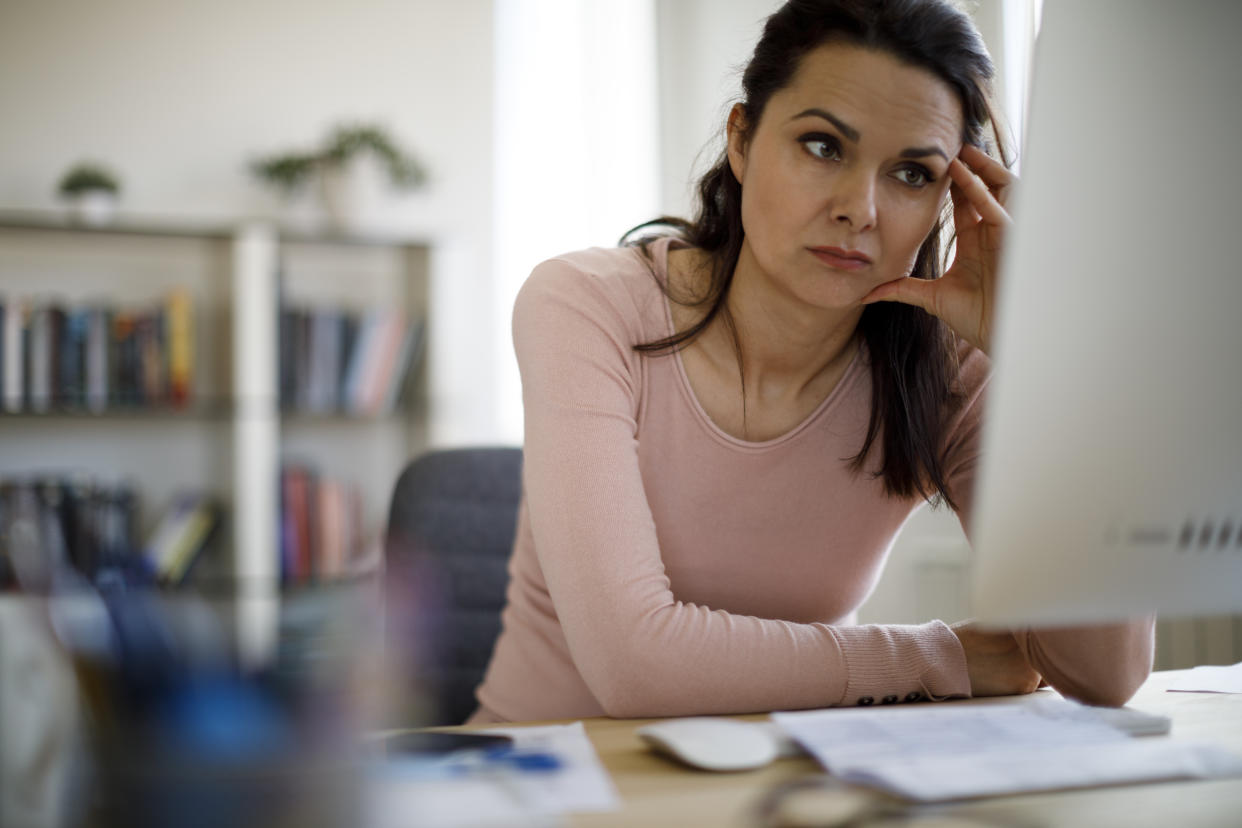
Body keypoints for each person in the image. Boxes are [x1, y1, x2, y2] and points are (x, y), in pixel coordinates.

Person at [469, 0, 1154, 723]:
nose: (860, 208)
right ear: (742, 141)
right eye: (824, 146)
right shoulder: (587, 305)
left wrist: (1047, 359)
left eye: (912, 174)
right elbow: (634, 669)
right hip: (549, 783)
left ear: (952, 202)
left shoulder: (948, 371)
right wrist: (946, 658)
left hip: (786, 784)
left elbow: (1106, 673)